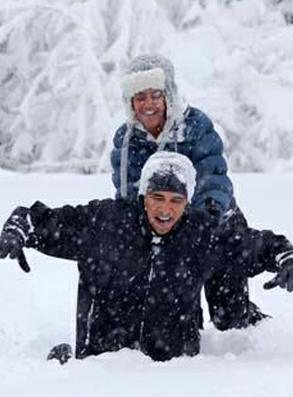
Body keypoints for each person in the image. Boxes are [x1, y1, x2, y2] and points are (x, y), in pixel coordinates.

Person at [0, 152, 293, 362]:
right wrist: (17, 232)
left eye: (175, 200)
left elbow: (260, 244)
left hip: (171, 374)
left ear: (187, 203)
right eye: (157, 198)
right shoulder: (106, 221)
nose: (165, 209)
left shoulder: (201, 235)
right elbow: (38, 219)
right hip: (101, 368)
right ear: (143, 196)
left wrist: (288, 260)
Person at [111, 54, 261, 330]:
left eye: (155, 95)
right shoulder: (126, 138)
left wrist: (206, 217)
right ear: (130, 102)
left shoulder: (194, 126)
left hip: (215, 223)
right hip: (167, 230)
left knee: (229, 318)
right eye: (139, 97)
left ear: (168, 94)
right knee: (176, 312)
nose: (148, 104)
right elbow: (128, 192)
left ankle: (248, 319)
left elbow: (213, 174)